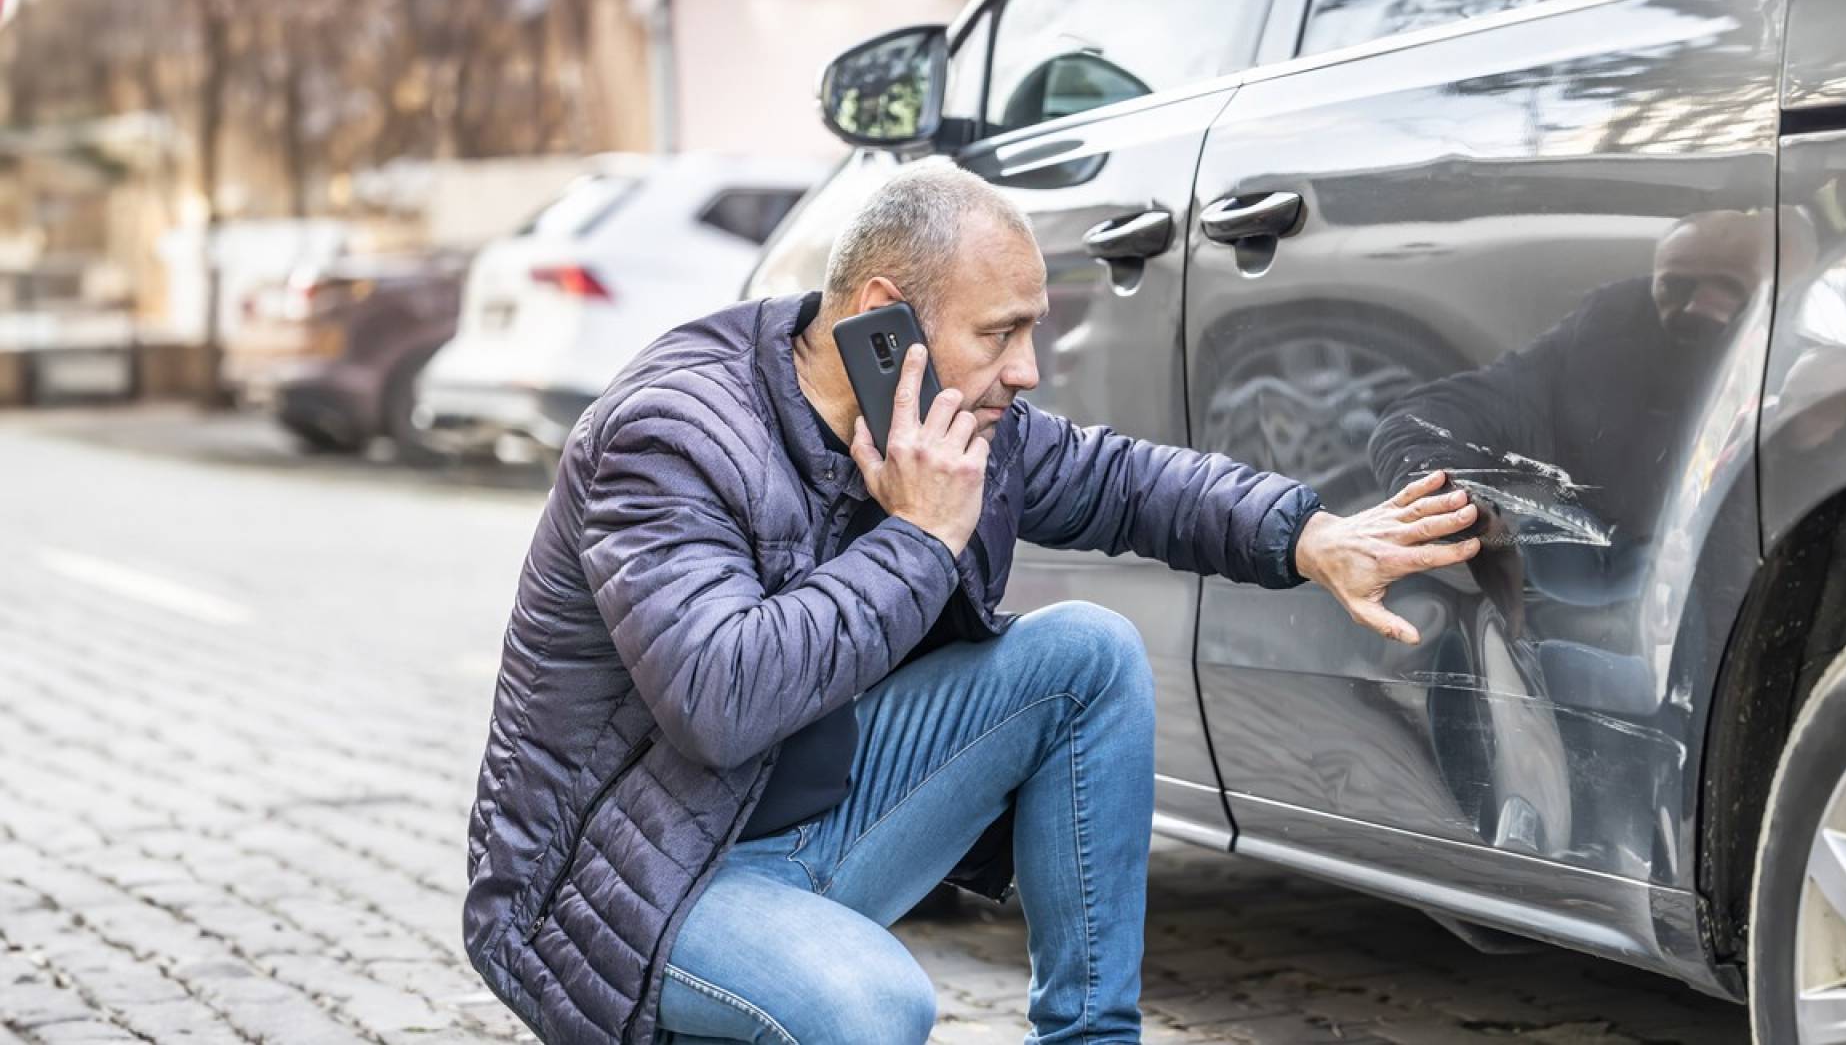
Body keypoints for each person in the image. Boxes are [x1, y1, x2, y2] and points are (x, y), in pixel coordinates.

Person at [463, 165, 1482, 1045]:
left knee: (1087, 653)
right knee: (870, 1006)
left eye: (1031, 331)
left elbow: (1123, 481)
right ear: (881, 317)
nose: (1027, 370)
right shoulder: (673, 435)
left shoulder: (954, 419)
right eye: (1001, 333)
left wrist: (1309, 537)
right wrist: (919, 537)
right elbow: (720, 702)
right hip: (641, 883)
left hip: (809, 822)